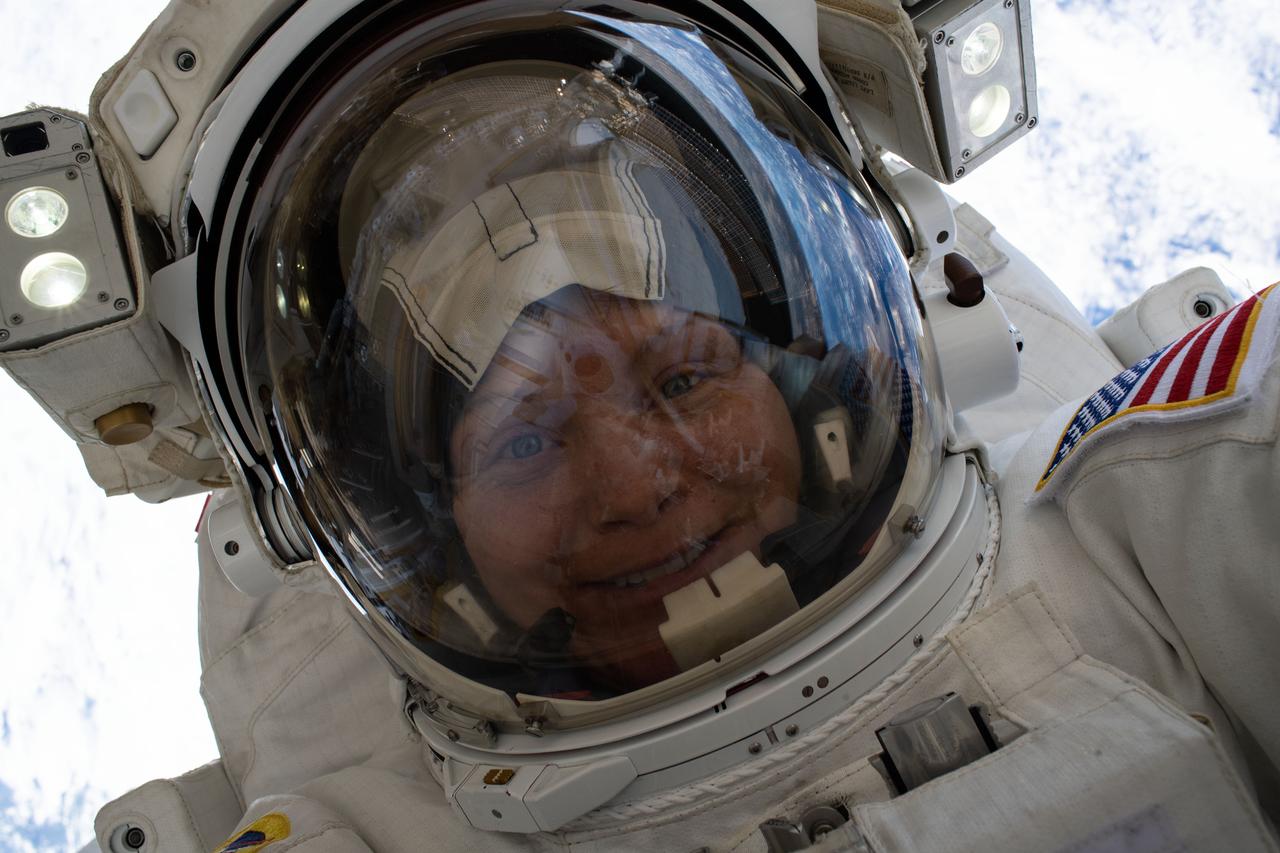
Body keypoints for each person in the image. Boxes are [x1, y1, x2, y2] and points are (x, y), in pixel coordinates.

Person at [0, 2, 1274, 851]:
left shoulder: (1168, 515)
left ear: (810, 396)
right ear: (432, 538)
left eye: (679, 380)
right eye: (523, 440)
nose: (639, 480)